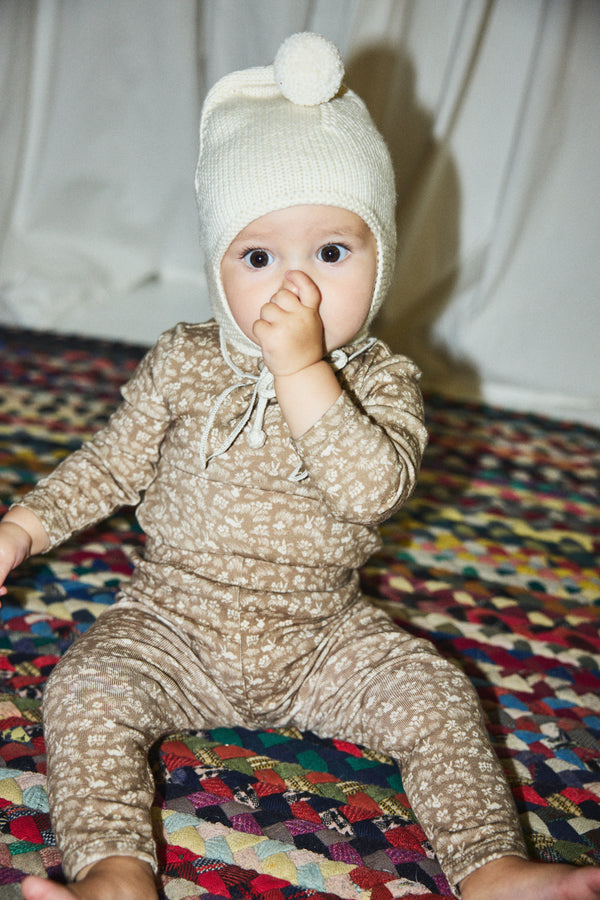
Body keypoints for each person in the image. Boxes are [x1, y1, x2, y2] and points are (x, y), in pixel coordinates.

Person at [0, 32, 598, 900]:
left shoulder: (383, 382)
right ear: (217, 268)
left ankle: (492, 864)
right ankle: (116, 872)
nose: (297, 289)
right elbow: (111, 464)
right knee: (84, 691)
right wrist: (25, 524)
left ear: (381, 258)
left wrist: (304, 371)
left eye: (331, 253)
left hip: (323, 637)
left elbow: (372, 490)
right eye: (258, 257)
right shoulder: (185, 361)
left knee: (437, 695)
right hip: (171, 624)